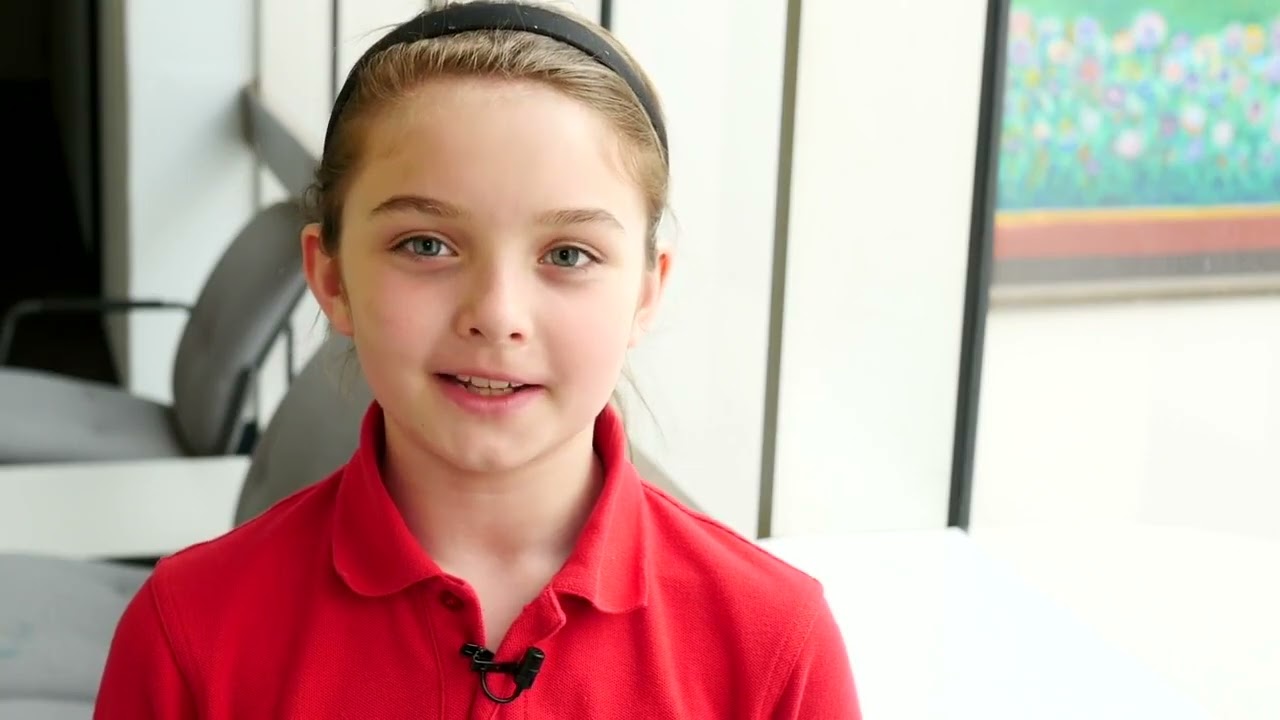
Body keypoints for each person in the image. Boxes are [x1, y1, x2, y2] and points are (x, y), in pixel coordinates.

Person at [93, 2, 860, 717]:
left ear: (646, 292)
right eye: (426, 245)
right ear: (331, 278)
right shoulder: (189, 630)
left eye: (568, 253)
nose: (496, 314)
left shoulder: (774, 646)